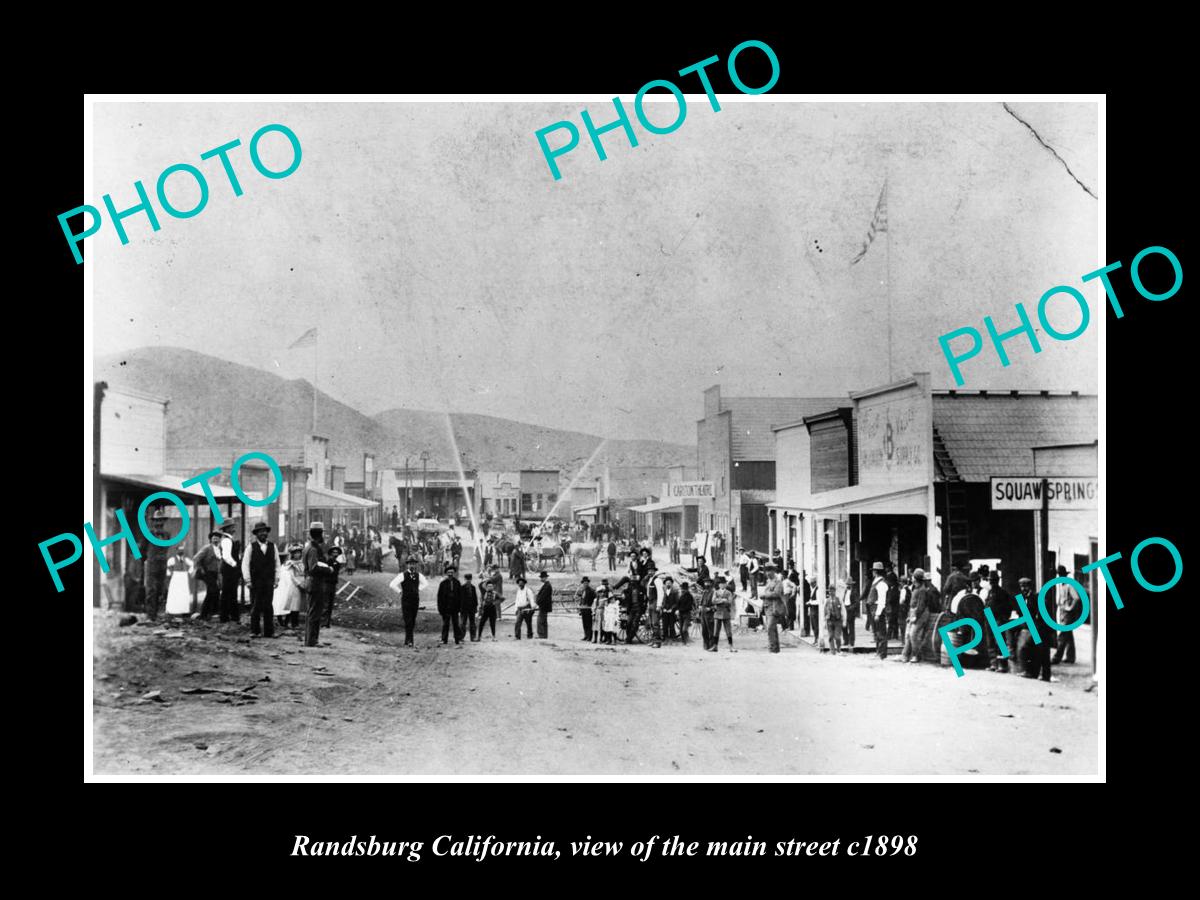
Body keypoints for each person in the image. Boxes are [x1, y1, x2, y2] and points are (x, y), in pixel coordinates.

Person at [242, 520, 280, 638]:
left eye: (264, 531)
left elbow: (277, 563)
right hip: (255, 581)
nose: (263, 534)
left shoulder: (273, 546)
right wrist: (248, 580)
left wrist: (277, 579)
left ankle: (269, 632)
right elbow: (245, 564)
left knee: (268, 605)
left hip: (268, 581)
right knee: (256, 605)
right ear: (256, 534)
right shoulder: (251, 547)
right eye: (260, 532)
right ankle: (255, 631)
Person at [302, 522, 335, 647]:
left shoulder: (309, 547)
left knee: (313, 611)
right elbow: (314, 567)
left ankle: (311, 639)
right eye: (323, 533)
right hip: (315, 582)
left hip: (312, 582)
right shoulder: (313, 549)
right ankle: (311, 640)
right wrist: (328, 569)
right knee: (314, 612)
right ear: (319, 534)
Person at [902, 569, 939, 663]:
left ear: (916, 579)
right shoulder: (915, 588)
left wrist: (915, 617)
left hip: (921, 614)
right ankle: (905, 655)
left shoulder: (922, 590)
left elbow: (921, 606)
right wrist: (909, 615)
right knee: (907, 634)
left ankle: (916, 655)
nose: (912, 579)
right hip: (913, 612)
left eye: (913, 577)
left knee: (913, 634)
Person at [984, 571, 1017, 672]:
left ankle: (1003, 665)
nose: (991, 582)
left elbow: (1008, 607)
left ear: (997, 581)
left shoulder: (1002, 593)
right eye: (990, 580)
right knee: (990, 642)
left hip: (998, 619)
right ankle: (994, 664)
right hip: (989, 619)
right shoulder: (990, 592)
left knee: (1000, 642)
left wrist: (1002, 618)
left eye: (993, 580)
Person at [142, 510, 171, 622]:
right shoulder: (148, 533)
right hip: (152, 564)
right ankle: (150, 615)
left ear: (164, 521)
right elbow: (142, 548)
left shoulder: (167, 535)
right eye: (157, 521)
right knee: (151, 590)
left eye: (161, 520)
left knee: (160, 589)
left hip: (162, 564)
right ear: (153, 522)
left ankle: (157, 613)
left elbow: (166, 548)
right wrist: (147, 559)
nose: (159, 523)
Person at [1051, 565, 1080, 665]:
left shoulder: (1069, 585)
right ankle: (1070, 657)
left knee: (1062, 636)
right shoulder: (1062, 585)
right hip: (1063, 613)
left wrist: (1070, 607)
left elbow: (1076, 598)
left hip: (1068, 614)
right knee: (1068, 635)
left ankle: (1056, 658)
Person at [273, 542, 305, 630]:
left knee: (298, 605)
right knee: (293, 605)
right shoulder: (290, 564)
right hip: (294, 585)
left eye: (299, 553)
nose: (297, 555)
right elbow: (291, 576)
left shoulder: (302, 563)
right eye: (295, 553)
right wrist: (299, 584)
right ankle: (291, 623)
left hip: (302, 584)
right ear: (292, 554)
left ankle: (293, 622)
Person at [193, 531, 223, 621]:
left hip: (215, 573)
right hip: (207, 572)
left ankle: (205, 614)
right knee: (215, 590)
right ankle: (213, 612)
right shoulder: (207, 548)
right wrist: (201, 568)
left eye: (217, 538)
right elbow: (196, 558)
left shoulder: (219, 549)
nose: (216, 539)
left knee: (211, 593)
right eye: (214, 537)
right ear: (211, 539)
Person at [217, 520, 241, 623]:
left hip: (229, 569)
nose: (234, 528)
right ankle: (227, 617)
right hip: (229, 569)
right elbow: (226, 556)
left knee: (230, 592)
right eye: (232, 526)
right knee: (229, 593)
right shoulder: (226, 540)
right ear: (227, 529)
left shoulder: (228, 539)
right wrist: (235, 565)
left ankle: (229, 616)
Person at [761, 565, 787, 653]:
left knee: (770, 628)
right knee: (772, 628)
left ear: (773, 571)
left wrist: (765, 595)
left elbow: (776, 594)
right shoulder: (768, 582)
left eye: (769, 571)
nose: (767, 573)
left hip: (774, 608)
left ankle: (771, 648)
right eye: (766, 571)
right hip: (767, 607)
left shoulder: (778, 582)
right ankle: (775, 648)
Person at [437, 564, 464, 646]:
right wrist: (440, 608)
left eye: (452, 572)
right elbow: (439, 597)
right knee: (445, 624)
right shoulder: (443, 584)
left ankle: (457, 639)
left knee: (456, 624)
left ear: (454, 573)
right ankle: (444, 639)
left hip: (455, 607)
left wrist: (460, 607)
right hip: (446, 607)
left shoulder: (457, 583)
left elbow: (460, 596)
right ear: (446, 573)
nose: (450, 574)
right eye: (448, 572)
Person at [164, 547, 193, 617]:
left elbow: (192, 565)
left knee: (184, 593)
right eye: (179, 550)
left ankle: (184, 610)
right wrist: (169, 573)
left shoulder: (186, 560)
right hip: (175, 577)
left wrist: (189, 572)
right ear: (176, 551)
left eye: (182, 550)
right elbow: (167, 567)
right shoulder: (172, 560)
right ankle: (172, 610)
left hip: (184, 577)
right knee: (174, 593)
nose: (181, 551)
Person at [711, 576, 735, 652]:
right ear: (718, 585)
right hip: (717, 612)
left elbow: (730, 602)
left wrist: (721, 601)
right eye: (720, 583)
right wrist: (723, 600)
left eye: (723, 583)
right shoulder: (716, 592)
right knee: (716, 630)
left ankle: (731, 646)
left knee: (728, 630)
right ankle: (715, 646)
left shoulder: (728, 592)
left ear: (725, 584)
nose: (721, 585)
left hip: (725, 613)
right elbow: (713, 601)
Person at [872, 565, 891, 659]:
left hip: (879, 610)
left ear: (876, 572)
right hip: (874, 610)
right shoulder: (876, 583)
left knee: (881, 633)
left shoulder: (881, 584)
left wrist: (878, 613)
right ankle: (878, 652)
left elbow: (882, 601)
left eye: (874, 571)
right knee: (877, 632)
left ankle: (882, 654)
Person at [822, 584, 843, 654]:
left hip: (838, 620)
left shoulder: (839, 599)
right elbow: (824, 611)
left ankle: (839, 648)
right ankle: (832, 651)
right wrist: (824, 621)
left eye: (832, 591)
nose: (831, 592)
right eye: (830, 591)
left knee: (837, 636)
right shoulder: (827, 601)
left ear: (835, 591)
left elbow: (843, 610)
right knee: (830, 636)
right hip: (830, 620)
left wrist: (844, 620)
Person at [841, 576, 861, 649]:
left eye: (849, 584)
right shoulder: (845, 591)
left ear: (852, 584)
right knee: (844, 626)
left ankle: (851, 642)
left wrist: (851, 608)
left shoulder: (854, 591)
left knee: (851, 627)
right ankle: (845, 640)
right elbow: (843, 599)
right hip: (845, 609)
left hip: (850, 610)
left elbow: (856, 602)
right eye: (847, 584)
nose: (848, 585)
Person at [460, 572, 479, 642]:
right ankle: (461, 637)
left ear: (471, 579)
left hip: (472, 608)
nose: (468, 581)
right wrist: (460, 608)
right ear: (464, 579)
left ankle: (473, 637)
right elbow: (460, 599)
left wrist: (476, 607)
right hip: (464, 608)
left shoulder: (473, 588)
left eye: (469, 579)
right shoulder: (462, 588)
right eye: (467, 579)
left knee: (472, 623)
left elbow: (475, 598)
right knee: (462, 623)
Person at [697, 578, 715, 650]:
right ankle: (706, 645)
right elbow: (701, 602)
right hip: (703, 613)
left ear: (711, 584)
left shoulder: (714, 593)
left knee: (710, 630)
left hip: (710, 614)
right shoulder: (704, 592)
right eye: (705, 583)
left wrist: (710, 608)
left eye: (708, 583)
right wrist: (700, 606)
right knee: (704, 630)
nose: (706, 584)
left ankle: (712, 646)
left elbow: (717, 604)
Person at [575, 576, 595, 641]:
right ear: (582, 583)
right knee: (584, 623)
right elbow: (581, 599)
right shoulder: (583, 590)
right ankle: (586, 635)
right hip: (583, 609)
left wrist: (591, 607)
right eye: (584, 583)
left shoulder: (591, 591)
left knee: (589, 623)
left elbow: (594, 600)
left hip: (588, 609)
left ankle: (589, 636)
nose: (585, 584)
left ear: (588, 583)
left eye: (586, 583)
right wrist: (580, 607)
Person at [535, 570, 553, 638]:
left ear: (545, 578)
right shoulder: (546, 585)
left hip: (544, 606)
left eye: (542, 577)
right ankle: (544, 635)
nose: (541, 579)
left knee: (540, 621)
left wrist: (537, 601)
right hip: (544, 606)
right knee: (544, 621)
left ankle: (541, 635)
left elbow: (542, 597)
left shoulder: (547, 586)